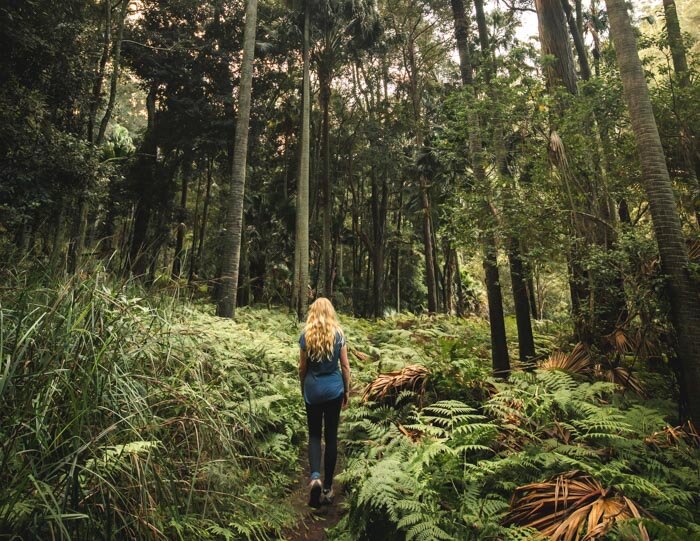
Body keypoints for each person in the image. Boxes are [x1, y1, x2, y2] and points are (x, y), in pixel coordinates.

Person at [298, 297, 351, 508]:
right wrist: (346, 390)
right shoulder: (339, 334)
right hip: (334, 391)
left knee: (313, 434)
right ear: (331, 313)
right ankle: (328, 489)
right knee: (330, 437)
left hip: (313, 390)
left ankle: (315, 477)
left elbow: (302, 367)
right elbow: (345, 366)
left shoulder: (306, 335)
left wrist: (303, 386)